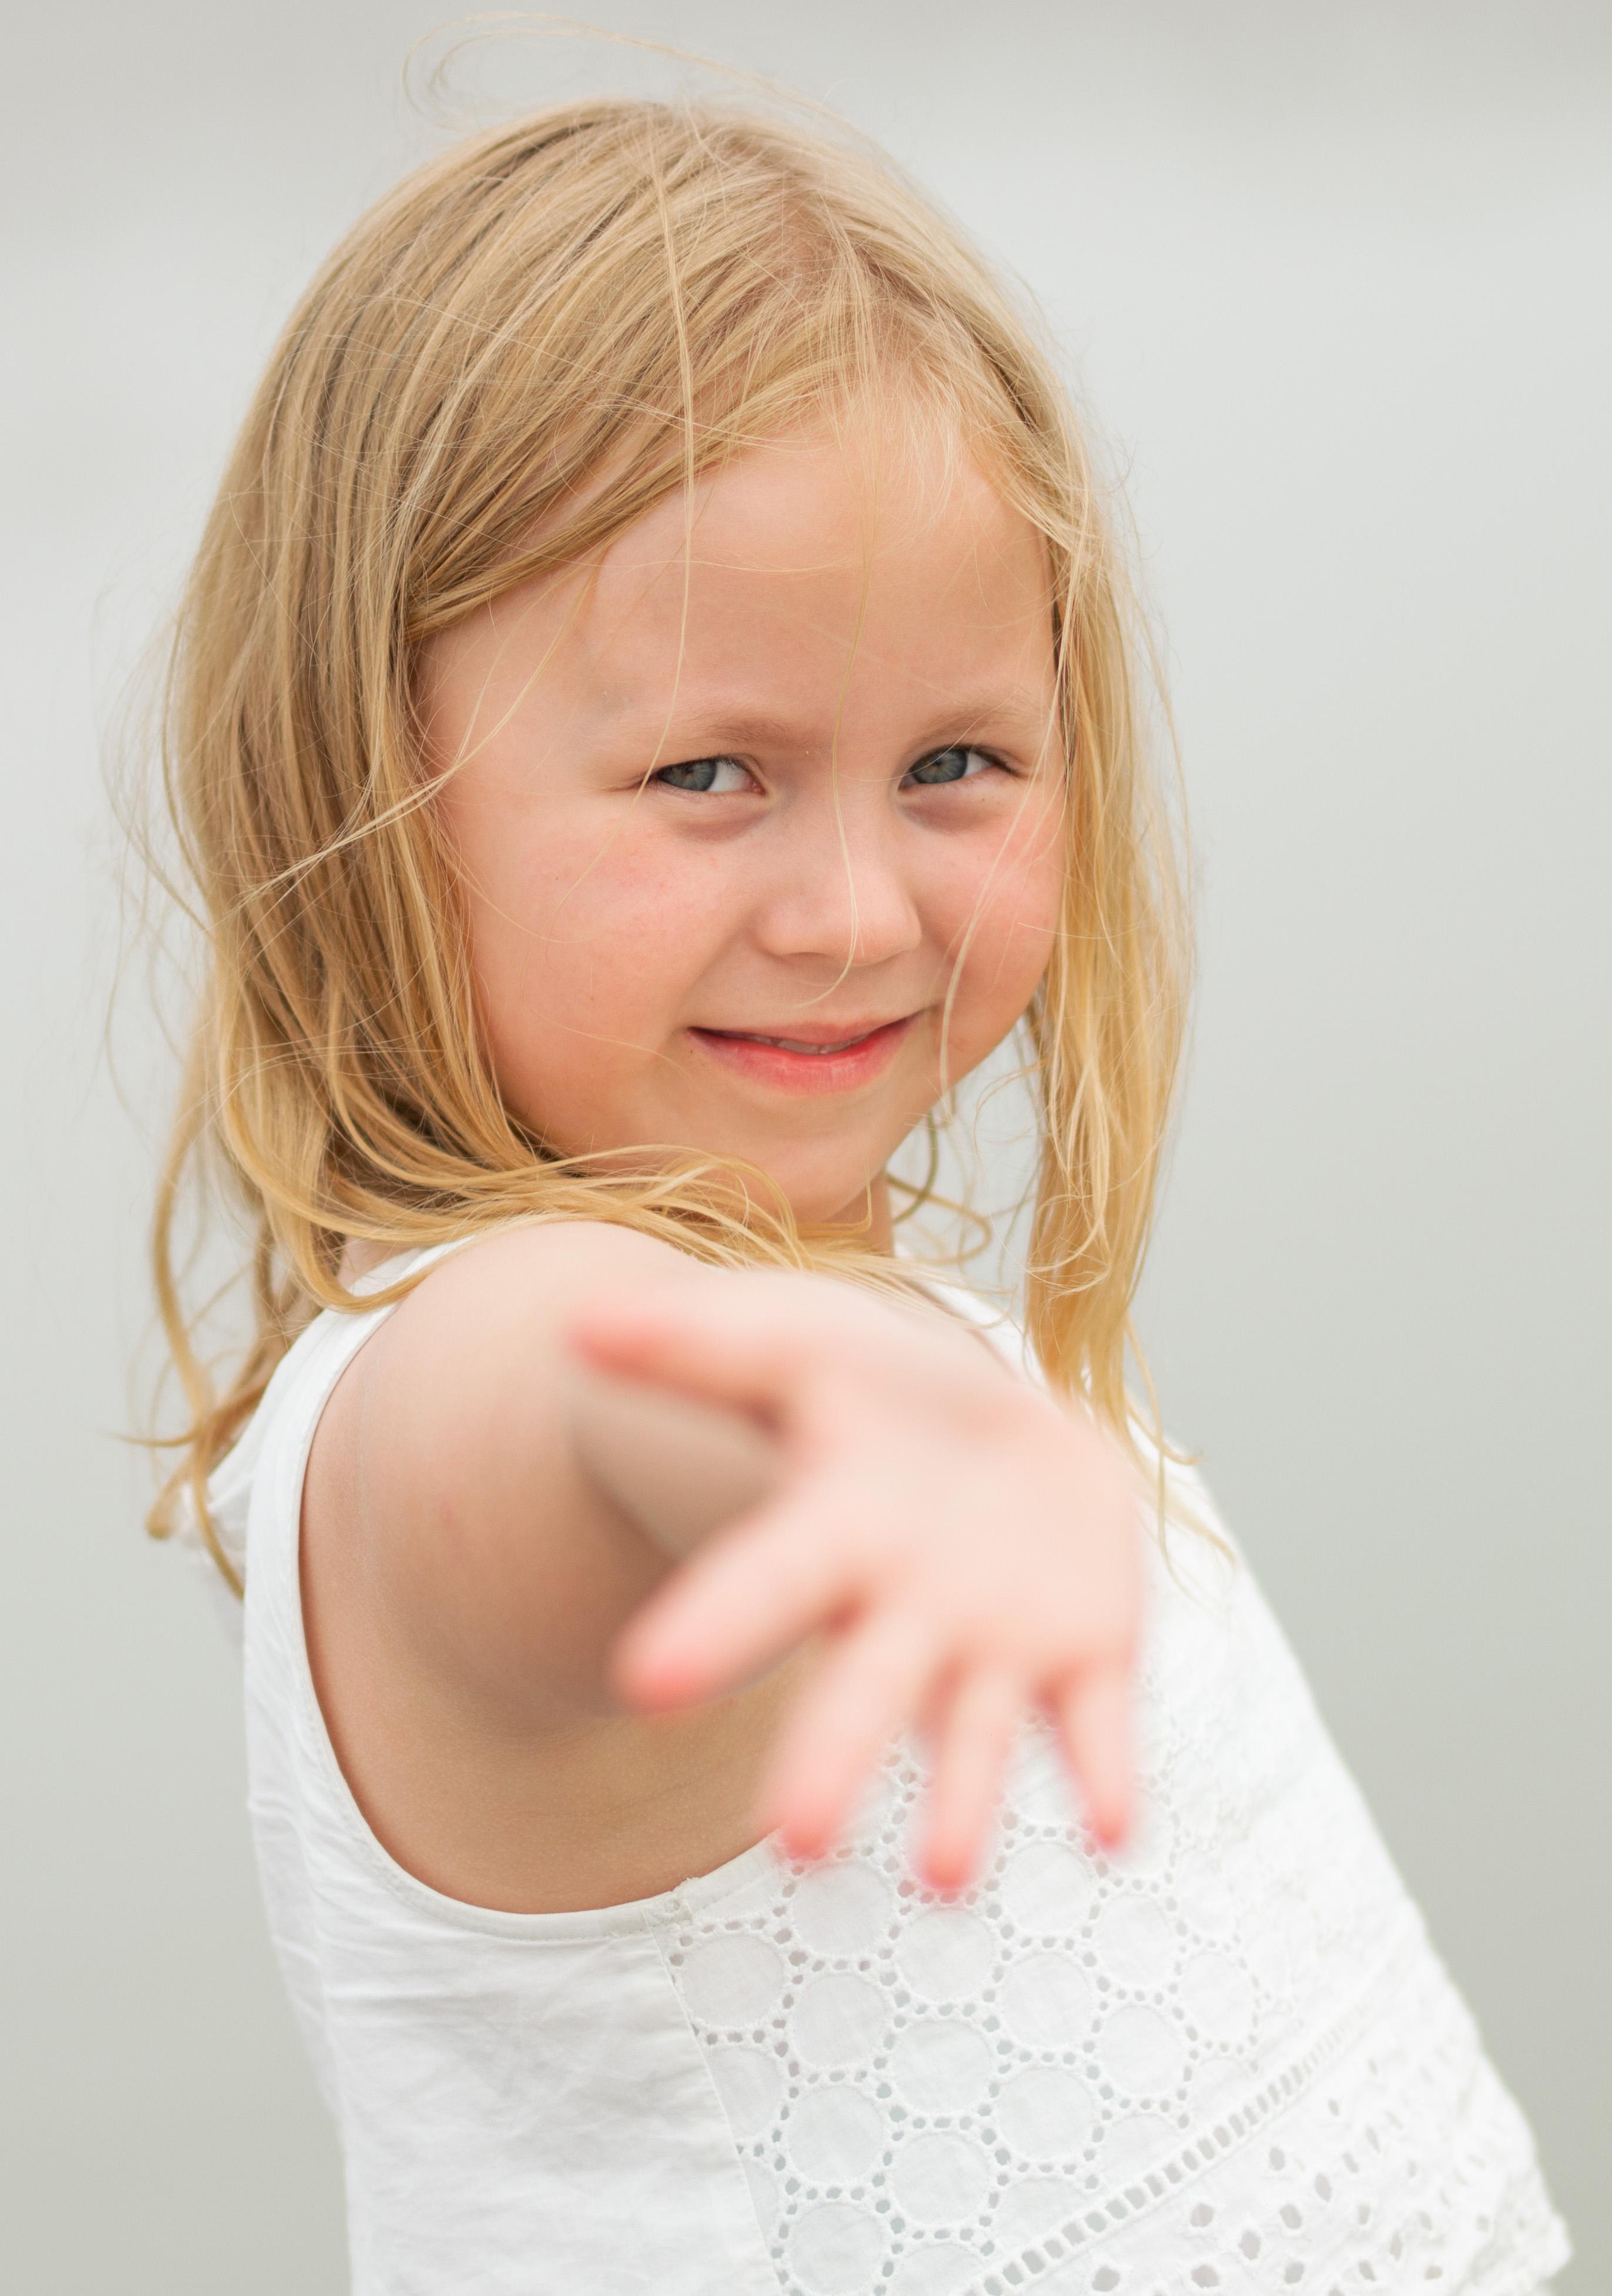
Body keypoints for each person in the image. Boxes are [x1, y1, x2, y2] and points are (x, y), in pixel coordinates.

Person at [145, 94, 1569, 2296]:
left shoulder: (923, 1342)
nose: (855, 914)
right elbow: (568, 1416)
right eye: (708, 775)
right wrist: (811, 1425)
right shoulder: (447, 1384)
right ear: (365, 792)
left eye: (954, 767)